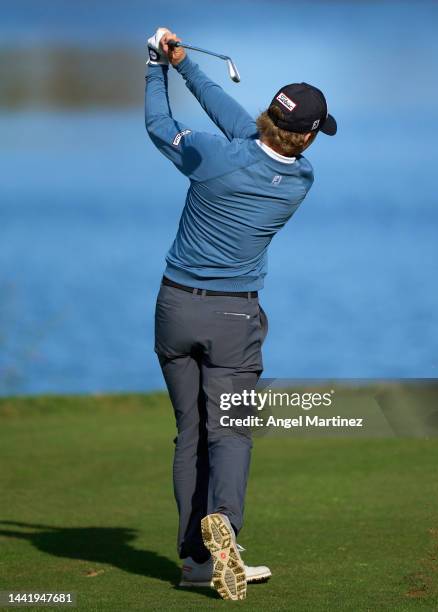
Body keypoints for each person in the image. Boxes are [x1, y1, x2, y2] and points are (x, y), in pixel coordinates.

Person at [145, 27, 336, 601]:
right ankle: (223, 519)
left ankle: (195, 563)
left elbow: (163, 125)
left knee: (189, 435)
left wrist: (158, 65)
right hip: (234, 322)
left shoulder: (214, 159)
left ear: (268, 118)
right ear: (304, 136)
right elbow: (248, 132)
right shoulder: (300, 179)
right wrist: (185, 66)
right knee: (229, 433)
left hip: (175, 309)